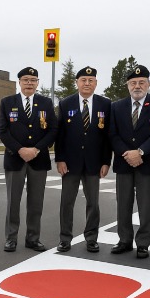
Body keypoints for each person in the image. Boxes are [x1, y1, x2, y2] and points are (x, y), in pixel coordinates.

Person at [109, 66, 150, 259]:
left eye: (141, 82)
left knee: (146, 205)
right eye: (133, 83)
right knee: (123, 205)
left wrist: (140, 152)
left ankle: (143, 243)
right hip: (124, 162)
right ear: (128, 85)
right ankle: (124, 240)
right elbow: (112, 134)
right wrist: (127, 154)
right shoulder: (116, 107)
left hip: (147, 163)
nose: (137, 86)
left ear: (148, 84)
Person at [0, 67, 57, 252]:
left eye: (33, 80)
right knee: (13, 202)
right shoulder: (7, 102)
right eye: (26, 80)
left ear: (37, 83)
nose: (29, 83)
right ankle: (11, 238)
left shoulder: (46, 103)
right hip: (15, 159)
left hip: (38, 160)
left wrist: (36, 149)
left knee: (36, 202)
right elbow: (2, 131)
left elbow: (53, 130)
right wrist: (20, 149)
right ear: (19, 82)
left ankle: (33, 238)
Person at [54, 66, 112, 253]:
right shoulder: (66, 103)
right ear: (77, 83)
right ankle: (65, 238)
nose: (87, 83)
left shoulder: (105, 104)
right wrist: (60, 159)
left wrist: (106, 161)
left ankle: (91, 238)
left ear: (96, 83)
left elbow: (107, 137)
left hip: (94, 163)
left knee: (93, 203)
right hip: (70, 163)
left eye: (91, 80)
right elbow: (60, 134)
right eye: (83, 80)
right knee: (67, 202)